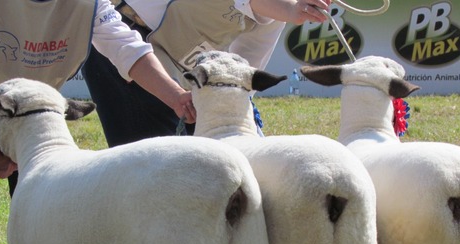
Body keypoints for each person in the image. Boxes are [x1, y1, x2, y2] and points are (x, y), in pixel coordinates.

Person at [0, 0, 197, 244]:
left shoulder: (87, 3)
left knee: (41, 193)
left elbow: (125, 47)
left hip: (28, 110)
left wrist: (177, 97)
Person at [82, 0, 331, 146]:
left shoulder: (276, 16)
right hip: (125, 47)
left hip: (189, 72)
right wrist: (174, 95)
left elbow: (242, 72)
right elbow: (116, 40)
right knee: (151, 168)